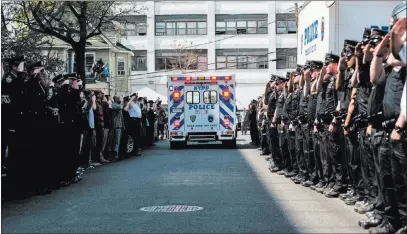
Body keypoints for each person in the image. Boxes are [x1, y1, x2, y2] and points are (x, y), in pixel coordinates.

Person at [57, 73, 83, 186]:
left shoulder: (72, 91)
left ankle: (72, 174)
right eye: (75, 81)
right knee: (67, 152)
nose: (76, 83)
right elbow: (67, 101)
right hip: (67, 125)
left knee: (74, 151)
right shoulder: (63, 91)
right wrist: (74, 90)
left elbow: (77, 102)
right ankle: (65, 176)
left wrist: (76, 89)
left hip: (74, 125)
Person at [110, 95, 124, 160]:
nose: (119, 99)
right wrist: (121, 102)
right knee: (115, 140)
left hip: (119, 125)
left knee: (117, 140)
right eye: (118, 98)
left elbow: (121, 117)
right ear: (115, 99)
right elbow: (120, 107)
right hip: (115, 125)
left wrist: (123, 125)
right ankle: (114, 153)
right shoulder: (114, 104)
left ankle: (116, 153)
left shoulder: (117, 104)